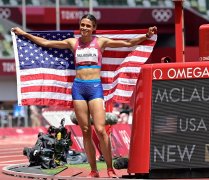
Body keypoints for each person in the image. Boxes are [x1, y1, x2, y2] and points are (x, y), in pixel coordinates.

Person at [12, 14, 157, 178]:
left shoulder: (101, 42)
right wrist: (25, 34)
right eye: (82, 25)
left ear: (94, 28)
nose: (84, 28)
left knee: (101, 130)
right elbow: (46, 43)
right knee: (86, 130)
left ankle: (109, 168)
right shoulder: (72, 42)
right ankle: (94, 170)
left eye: (88, 25)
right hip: (79, 88)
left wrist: (146, 35)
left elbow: (127, 43)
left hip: (95, 87)